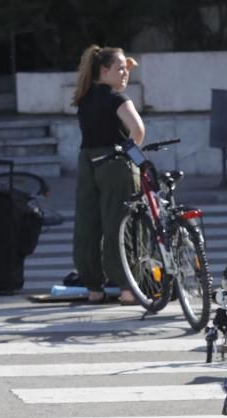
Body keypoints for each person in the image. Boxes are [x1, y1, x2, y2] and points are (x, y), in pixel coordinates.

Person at [71, 45, 144, 305]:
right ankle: (126, 287)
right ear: (104, 70)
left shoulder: (84, 96)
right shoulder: (117, 100)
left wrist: (124, 65)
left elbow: (114, 74)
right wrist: (131, 152)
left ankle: (94, 288)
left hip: (87, 161)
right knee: (120, 224)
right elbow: (138, 129)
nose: (125, 73)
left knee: (88, 225)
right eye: (120, 69)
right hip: (115, 163)